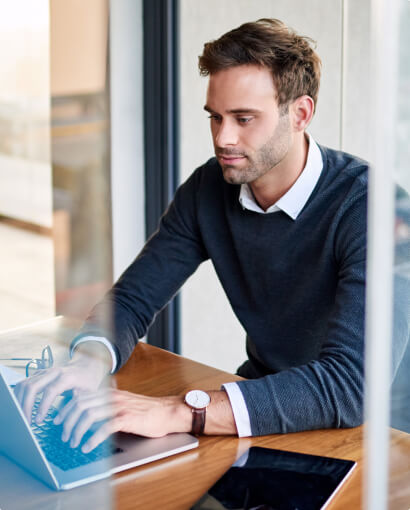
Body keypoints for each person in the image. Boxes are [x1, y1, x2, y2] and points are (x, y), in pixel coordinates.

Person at [15, 18, 369, 453]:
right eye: (215, 117)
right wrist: (88, 363)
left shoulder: (367, 207)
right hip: (259, 416)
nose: (224, 138)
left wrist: (181, 410)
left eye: (243, 118)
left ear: (300, 114)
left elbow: (351, 386)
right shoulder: (209, 188)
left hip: (370, 435)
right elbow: (133, 298)